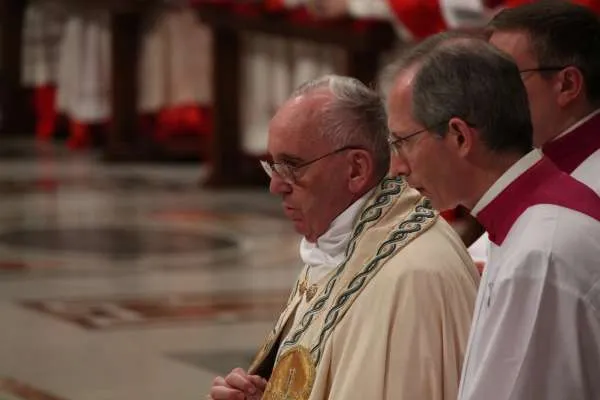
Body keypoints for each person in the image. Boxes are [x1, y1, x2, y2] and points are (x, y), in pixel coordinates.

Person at [208, 75, 480, 400]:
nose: (275, 186)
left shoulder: (413, 277)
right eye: (273, 167)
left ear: (356, 169)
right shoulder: (343, 243)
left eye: (292, 167)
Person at [386, 31, 600, 400]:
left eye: (403, 142)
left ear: (459, 136)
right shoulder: (528, 223)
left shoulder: (540, 253)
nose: (397, 166)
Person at [461, 0, 600, 268]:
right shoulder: (536, 160)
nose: (485, 99)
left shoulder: (590, 189)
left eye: (504, 80)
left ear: (567, 85)